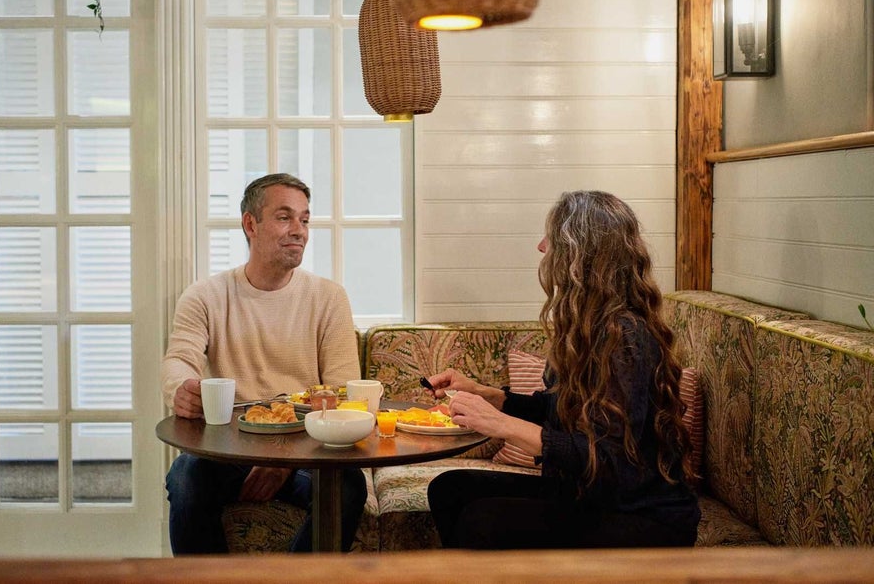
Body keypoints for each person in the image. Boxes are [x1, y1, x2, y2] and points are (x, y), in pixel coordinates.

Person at [426, 190, 700, 549]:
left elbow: (608, 458)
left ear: (579, 254)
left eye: (551, 239)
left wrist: (502, 426)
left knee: (484, 521)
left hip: (640, 514)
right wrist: (487, 395)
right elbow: (560, 411)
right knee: (450, 488)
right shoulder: (588, 326)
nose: (541, 247)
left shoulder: (625, 336)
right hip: (589, 494)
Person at [161, 173, 365, 554]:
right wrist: (181, 391)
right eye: (285, 217)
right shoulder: (205, 296)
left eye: (304, 219)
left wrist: (283, 459)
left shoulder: (328, 298)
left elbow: (341, 395)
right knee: (186, 476)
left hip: (307, 452)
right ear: (250, 224)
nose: (299, 231)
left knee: (349, 485)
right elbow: (179, 362)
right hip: (230, 451)